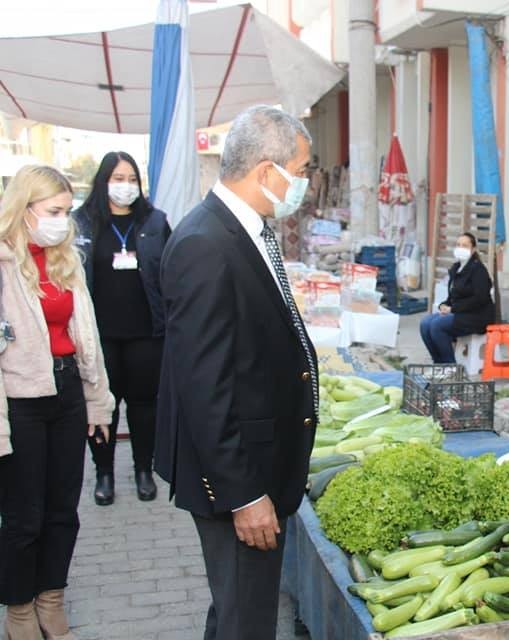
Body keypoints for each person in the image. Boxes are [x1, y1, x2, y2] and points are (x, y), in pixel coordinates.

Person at [155, 105, 318, 640]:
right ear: (268, 172)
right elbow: (204, 387)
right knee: (247, 621)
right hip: (238, 479)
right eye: (302, 169)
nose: (305, 183)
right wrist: (244, 495)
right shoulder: (205, 243)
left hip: (258, 463)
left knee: (237, 611)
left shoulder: (247, 228)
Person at [0, 165, 113, 640]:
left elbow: (86, 337)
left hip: (67, 393)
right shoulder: (5, 264)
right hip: (20, 400)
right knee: (24, 517)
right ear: (24, 210)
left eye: (67, 212)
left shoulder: (65, 259)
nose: (62, 221)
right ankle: (19, 610)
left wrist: (98, 402)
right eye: (53, 211)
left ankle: (52, 599)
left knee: (63, 510)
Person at [73, 151, 171, 506]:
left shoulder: (155, 222)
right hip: (99, 337)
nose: (125, 186)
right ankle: (104, 473)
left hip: (147, 333)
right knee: (103, 407)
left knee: (145, 406)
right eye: (117, 178)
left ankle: (144, 470)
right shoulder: (82, 223)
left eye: (132, 179)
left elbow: (172, 274)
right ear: (103, 182)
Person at [420, 233, 495, 364]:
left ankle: (450, 366)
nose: (461, 248)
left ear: (473, 250)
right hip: (459, 313)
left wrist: (453, 308)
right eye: (458, 245)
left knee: (437, 326)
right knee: (425, 323)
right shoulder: (456, 268)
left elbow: (480, 298)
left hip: (477, 316)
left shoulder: (478, 270)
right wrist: (444, 305)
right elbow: (453, 295)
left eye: (465, 245)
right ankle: (438, 363)